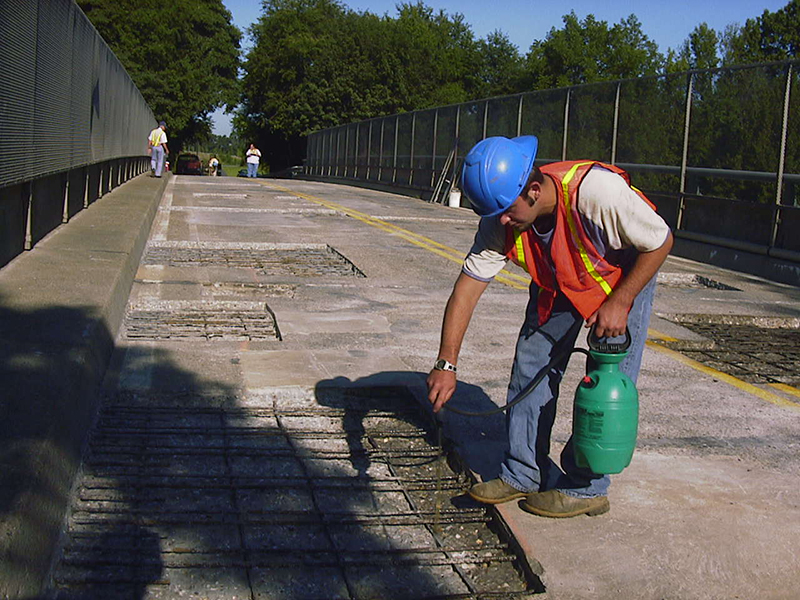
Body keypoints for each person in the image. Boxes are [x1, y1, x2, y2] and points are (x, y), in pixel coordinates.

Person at [427, 135, 673, 518]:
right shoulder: (499, 219)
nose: (502, 221)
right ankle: (523, 472)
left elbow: (659, 241)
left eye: (507, 211)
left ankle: (586, 487)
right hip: (560, 281)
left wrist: (621, 302)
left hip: (623, 278)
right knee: (530, 367)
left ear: (535, 189)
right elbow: (466, 291)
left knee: (606, 385)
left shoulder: (597, 193)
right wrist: (446, 363)